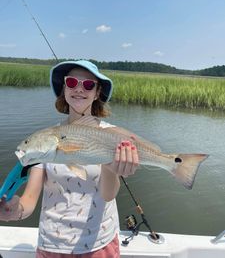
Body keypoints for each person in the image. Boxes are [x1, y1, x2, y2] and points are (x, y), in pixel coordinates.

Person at [0, 60, 139, 257]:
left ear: (97, 92)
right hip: (51, 244)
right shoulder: (46, 140)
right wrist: (14, 210)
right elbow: (29, 200)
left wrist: (111, 168)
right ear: (64, 88)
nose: (79, 89)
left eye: (89, 84)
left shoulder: (112, 136)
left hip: (98, 244)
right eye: (72, 82)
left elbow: (108, 195)